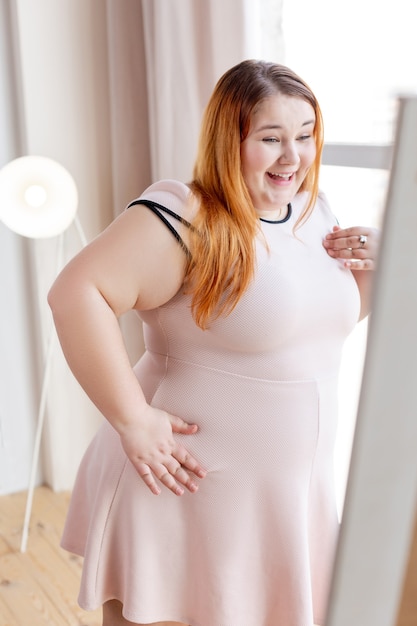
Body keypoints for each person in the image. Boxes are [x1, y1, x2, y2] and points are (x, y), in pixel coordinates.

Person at [48, 59, 379, 626]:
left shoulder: (310, 209)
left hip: (283, 497)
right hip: (184, 487)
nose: (292, 157)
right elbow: (76, 294)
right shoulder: (184, 215)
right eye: (271, 139)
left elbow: (311, 335)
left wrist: (380, 262)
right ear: (231, 141)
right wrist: (132, 420)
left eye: (304, 136)